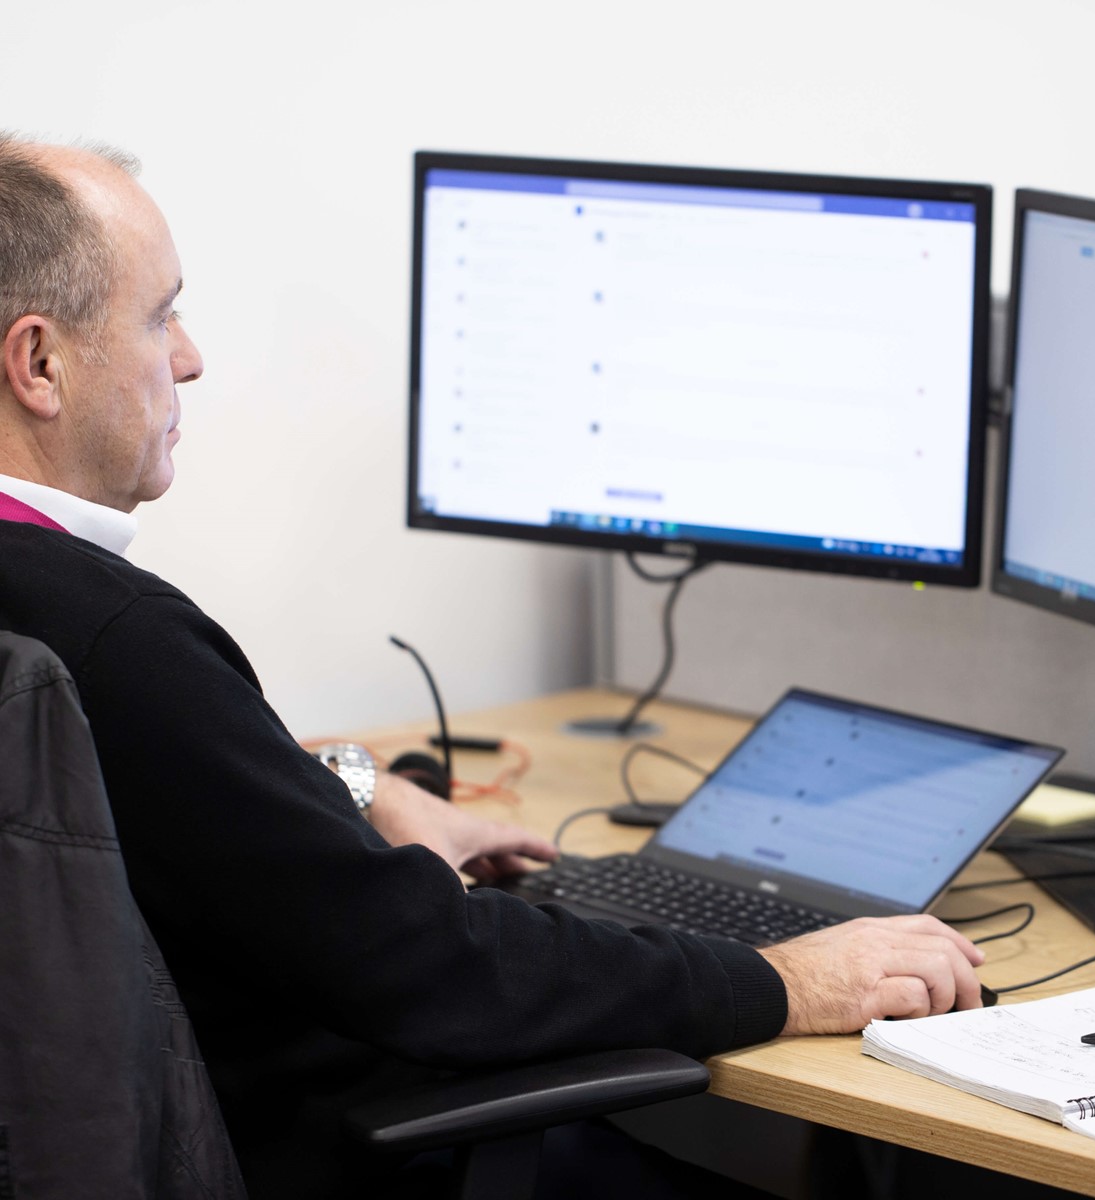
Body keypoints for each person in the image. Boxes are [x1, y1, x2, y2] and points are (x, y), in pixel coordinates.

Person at [0, 134, 986, 1196]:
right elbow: (437, 967)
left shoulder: (46, 613)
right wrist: (784, 979)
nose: (189, 357)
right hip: (333, 1152)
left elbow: (164, 819)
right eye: (161, 315)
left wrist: (364, 797)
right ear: (41, 363)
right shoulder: (114, 638)